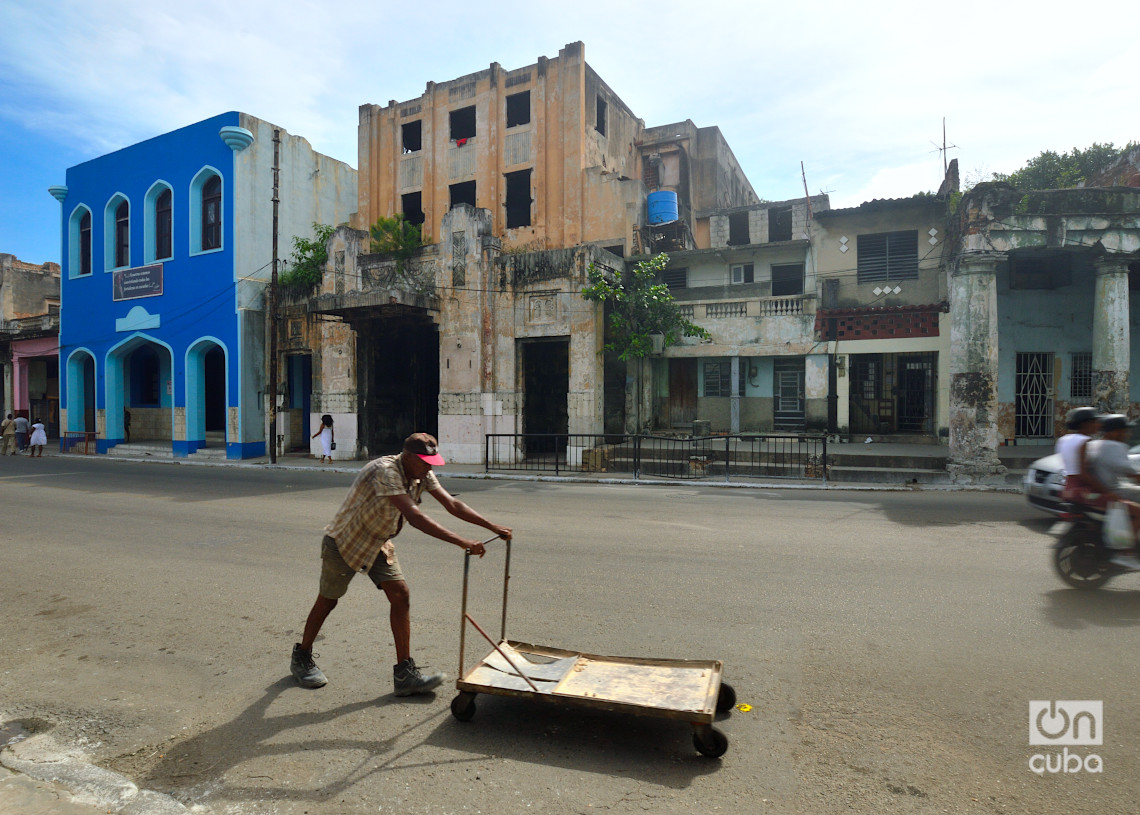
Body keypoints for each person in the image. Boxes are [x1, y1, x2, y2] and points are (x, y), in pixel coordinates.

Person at [291, 432, 511, 695]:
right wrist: (462, 541)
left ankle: (405, 674)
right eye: (424, 461)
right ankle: (301, 655)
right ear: (407, 457)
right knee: (329, 599)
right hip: (345, 541)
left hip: (378, 541)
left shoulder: (421, 472)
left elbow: (452, 503)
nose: (429, 467)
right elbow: (415, 517)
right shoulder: (386, 471)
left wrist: (491, 526)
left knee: (401, 595)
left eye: (431, 462)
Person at [1085, 414, 1140, 567]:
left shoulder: (1094, 444)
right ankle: (1126, 553)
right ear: (1112, 432)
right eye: (1122, 431)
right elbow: (1131, 473)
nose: (1125, 434)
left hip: (1104, 488)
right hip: (1112, 490)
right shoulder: (1114, 446)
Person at [1057, 407, 1110, 505]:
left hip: (1067, 488)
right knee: (1117, 500)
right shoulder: (1085, 441)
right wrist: (1105, 491)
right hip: (1082, 491)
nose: (1098, 425)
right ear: (1086, 424)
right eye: (1095, 422)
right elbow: (1083, 474)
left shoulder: (1063, 439)